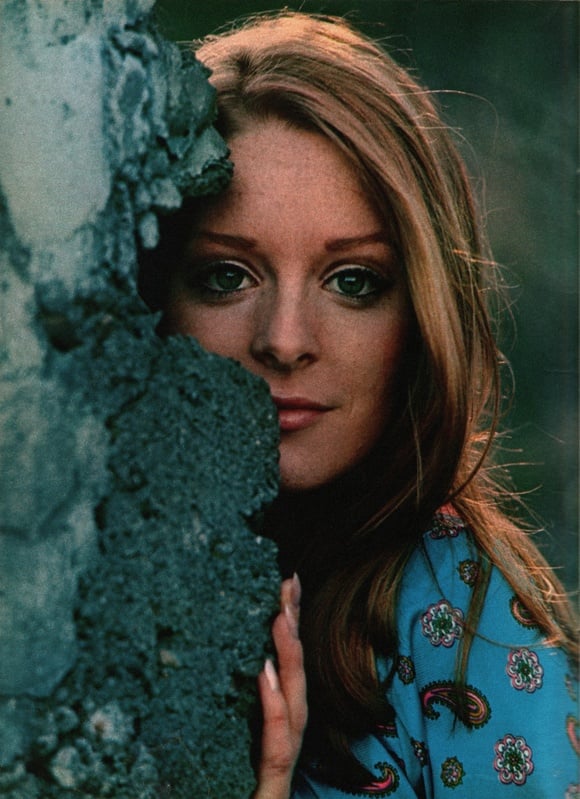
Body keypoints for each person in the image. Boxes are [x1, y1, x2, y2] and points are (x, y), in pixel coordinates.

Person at [139, 11, 578, 798]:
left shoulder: (462, 615)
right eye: (226, 275)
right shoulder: (110, 578)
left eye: (353, 281)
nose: (284, 339)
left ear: (422, 316)